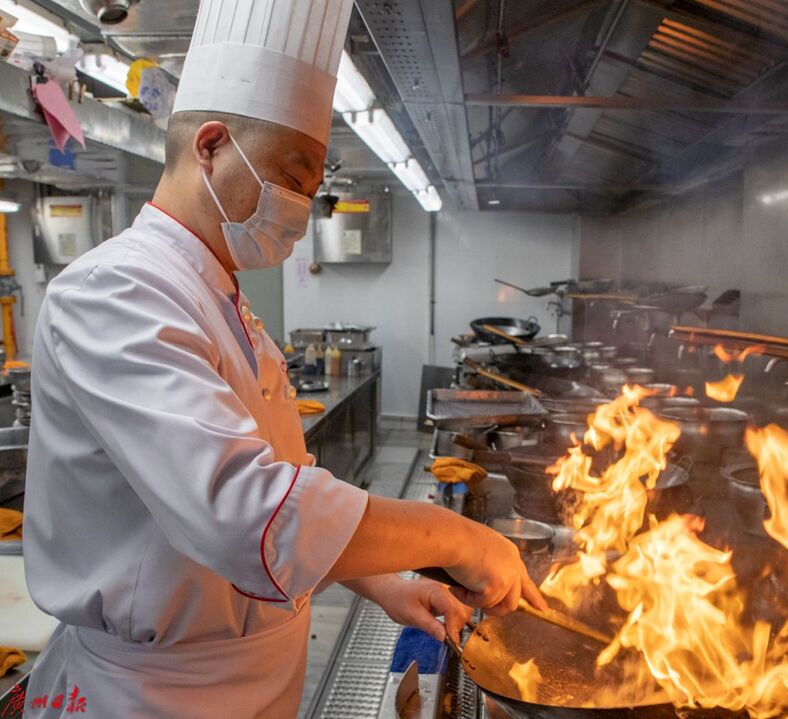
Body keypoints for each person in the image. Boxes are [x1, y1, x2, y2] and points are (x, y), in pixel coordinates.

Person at [21, 1, 545, 716]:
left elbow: (289, 494)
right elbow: (247, 514)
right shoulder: (115, 292)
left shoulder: (223, 302)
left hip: (251, 679)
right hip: (151, 696)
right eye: (294, 177)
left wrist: (384, 583)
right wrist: (457, 538)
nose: (302, 205)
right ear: (211, 145)